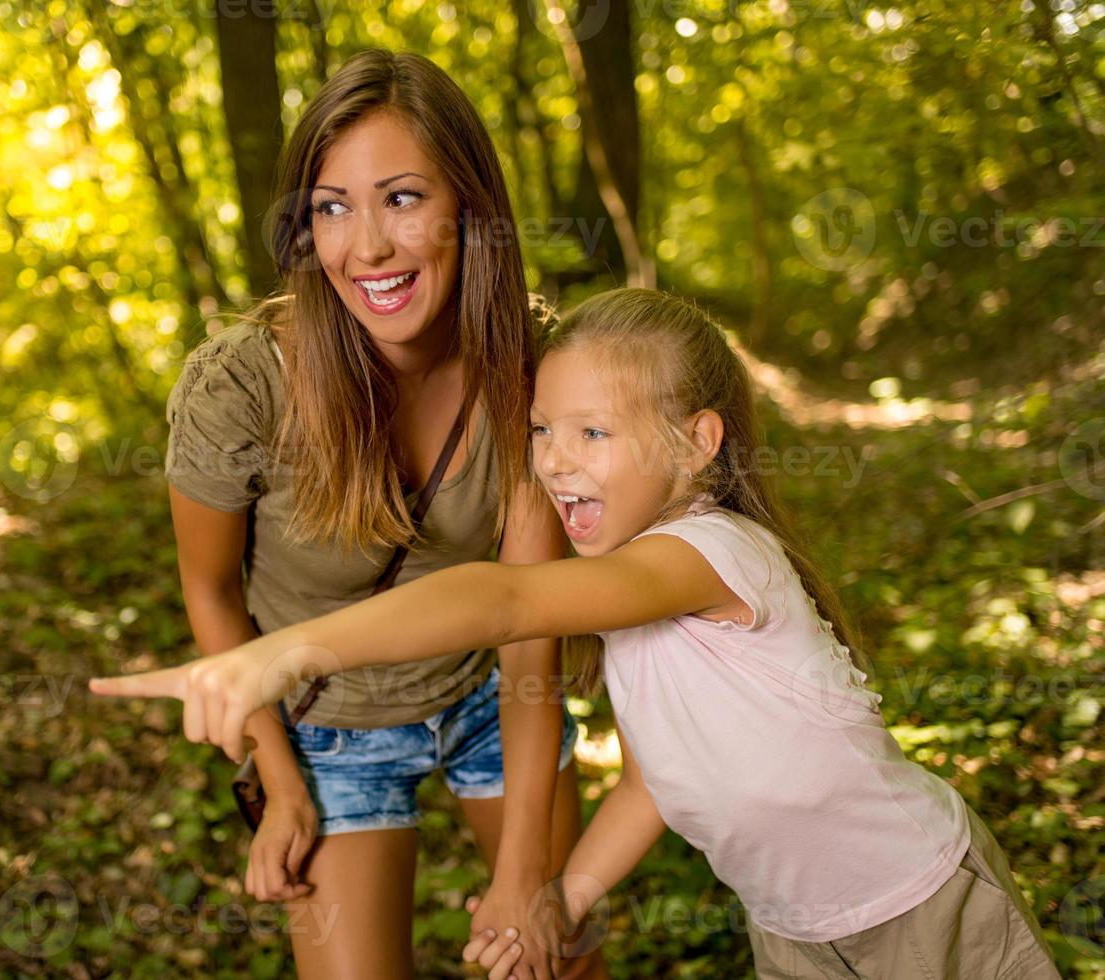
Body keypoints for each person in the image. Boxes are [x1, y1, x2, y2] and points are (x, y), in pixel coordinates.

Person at [94, 288, 1063, 980]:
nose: (555, 463)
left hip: (922, 896)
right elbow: (649, 783)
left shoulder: (711, 554)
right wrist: (565, 896)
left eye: (591, 434)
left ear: (698, 442)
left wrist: (284, 648)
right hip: (796, 931)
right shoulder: (627, 610)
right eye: (543, 431)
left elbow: (508, 602)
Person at [124, 48, 607, 980]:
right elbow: (210, 592)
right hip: (326, 719)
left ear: (469, 205)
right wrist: (278, 775)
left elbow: (527, 632)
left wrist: (524, 879)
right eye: (332, 207)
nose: (368, 247)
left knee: (559, 961)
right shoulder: (241, 387)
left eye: (402, 198)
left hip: (489, 698)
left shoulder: (530, 366)